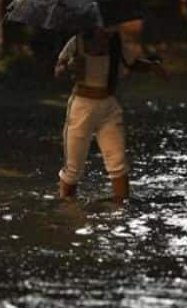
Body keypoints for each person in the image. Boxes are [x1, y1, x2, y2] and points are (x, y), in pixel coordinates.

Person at [54, 27, 167, 203]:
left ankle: (121, 209)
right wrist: (68, 67)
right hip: (81, 107)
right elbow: (58, 70)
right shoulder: (77, 43)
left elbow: (132, 62)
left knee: (118, 163)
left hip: (109, 107)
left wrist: (153, 67)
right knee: (73, 168)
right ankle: (67, 208)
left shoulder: (115, 43)